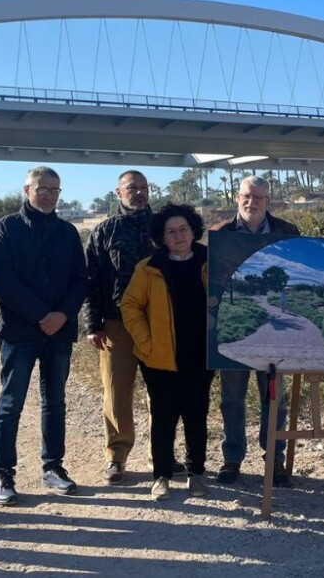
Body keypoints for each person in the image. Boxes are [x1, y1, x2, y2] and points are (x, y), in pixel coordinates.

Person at [0, 166, 88, 505]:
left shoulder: (67, 232)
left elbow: (80, 280)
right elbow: (3, 279)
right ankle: (3, 472)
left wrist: (61, 315)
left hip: (59, 331)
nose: (47, 195)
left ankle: (53, 467)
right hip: (19, 331)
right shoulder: (7, 227)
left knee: (55, 401)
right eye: (41, 188)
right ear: (27, 189)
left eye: (54, 190)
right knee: (11, 402)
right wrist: (42, 315)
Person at [83, 170, 185, 483]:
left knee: (163, 392)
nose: (139, 193)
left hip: (161, 322)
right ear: (119, 193)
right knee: (116, 391)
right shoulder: (105, 231)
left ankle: (163, 455)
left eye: (143, 187)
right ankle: (116, 456)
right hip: (117, 324)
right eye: (132, 188)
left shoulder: (164, 228)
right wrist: (92, 324)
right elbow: (91, 279)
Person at [120, 203, 214, 501]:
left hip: (201, 355)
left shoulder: (211, 261)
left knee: (197, 416)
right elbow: (130, 305)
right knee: (164, 418)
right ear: (161, 237)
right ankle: (161, 476)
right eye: (171, 231)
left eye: (183, 229)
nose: (178, 235)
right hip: (159, 358)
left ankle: (196, 475)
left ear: (193, 231)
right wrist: (146, 343)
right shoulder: (149, 267)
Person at [209, 175, 297, 487]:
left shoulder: (288, 231)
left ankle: (274, 458)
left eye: (258, 197)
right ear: (237, 198)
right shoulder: (219, 234)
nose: (252, 202)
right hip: (230, 329)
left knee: (274, 397)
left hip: (276, 337)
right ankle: (232, 458)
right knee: (232, 397)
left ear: (267, 201)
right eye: (247, 196)